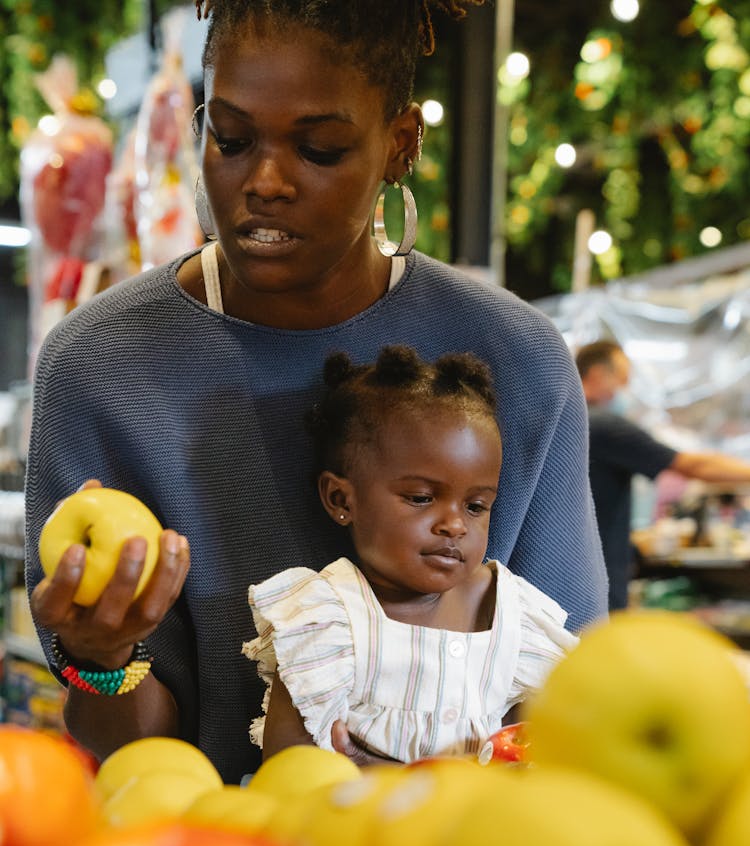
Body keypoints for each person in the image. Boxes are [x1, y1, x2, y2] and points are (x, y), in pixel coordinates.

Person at [24, 0, 607, 786]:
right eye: (229, 138)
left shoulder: (519, 361)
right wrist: (102, 659)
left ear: (400, 144)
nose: (263, 182)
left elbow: (574, 717)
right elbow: (136, 756)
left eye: (321, 149)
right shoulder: (101, 369)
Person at [244, 345, 579, 764]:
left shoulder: (515, 618)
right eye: (421, 498)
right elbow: (290, 772)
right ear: (340, 498)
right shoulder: (328, 620)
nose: (455, 525)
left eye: (475, 506)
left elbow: (532, 752)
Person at [577, 339, 750, 611]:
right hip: (597, 580)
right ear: (599, 375)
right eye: (623, 379)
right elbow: (694, 466)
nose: (626, 389)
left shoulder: (572, 419)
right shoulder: (603, 425)